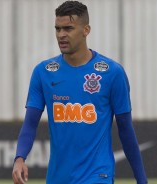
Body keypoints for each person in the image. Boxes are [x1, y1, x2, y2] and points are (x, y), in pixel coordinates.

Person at [12, 1, 147, 184]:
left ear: (86, 30)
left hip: (98, 176)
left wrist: (141, 180)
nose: (61, 35)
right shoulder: (42, 72)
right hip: (58, 177)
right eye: (58, 29)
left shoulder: (112, 73)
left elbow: (125, 129)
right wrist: (19, 158)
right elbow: (30, 123)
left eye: (68, 28)